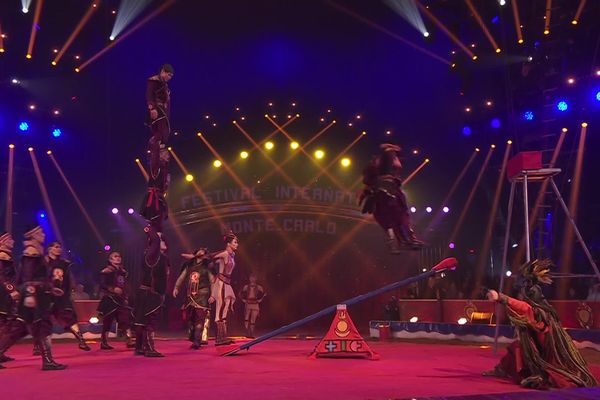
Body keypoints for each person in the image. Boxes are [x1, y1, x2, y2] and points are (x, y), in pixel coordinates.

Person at [484, 259, 597, 389]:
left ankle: (539, 373)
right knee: (517, 346)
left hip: (545, 340)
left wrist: (501, 298)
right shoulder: (532, 294)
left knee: (535, 356)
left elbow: (526, 308)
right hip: (539, 334)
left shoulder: (535, 298)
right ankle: (503, 369)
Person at [0, 226, 67, 370]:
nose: (43, 234)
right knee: (42, 325)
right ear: (34, 235)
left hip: (35, 293)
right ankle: (48, 361)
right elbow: (28, 277)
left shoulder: (34, 251)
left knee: (20, 328)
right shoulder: (32, 252)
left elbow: (26, 277)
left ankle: (48, 360)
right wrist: (29, 294)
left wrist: (51, 288)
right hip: (35, 295)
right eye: (40, 232)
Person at [360, 143, 423, 254]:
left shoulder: (386, 168)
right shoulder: (381, 166)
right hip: (385, 194)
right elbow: (370, 182)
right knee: (394, 219)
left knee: (398, 219)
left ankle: (404, 241)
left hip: (388, 193)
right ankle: (401, 242)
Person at [45, 241, 91, 352]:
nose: (59, 249)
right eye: (56, 247)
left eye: (60, 247)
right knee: (43, 320)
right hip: (46, 295)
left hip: (62, 296)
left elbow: (69, 278)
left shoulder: (64, 263)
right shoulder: (43, 262)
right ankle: (41, 346)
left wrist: (70, 289)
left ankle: (81, 340)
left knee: (70, 317)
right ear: (49, 249)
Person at [133, 226, 169, 357]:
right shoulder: (152, 255)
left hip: (148, 293)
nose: (162, 242)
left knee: (142, 321)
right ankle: (149, 348)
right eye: (160, 240)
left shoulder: (158, 257)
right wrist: (150, 228)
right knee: (149, 321)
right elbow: (155, 240)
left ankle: (139, 348)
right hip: (149, 294)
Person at [173, 248, 214, 349]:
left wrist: (213, 295)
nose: (201, 251)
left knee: (200, 319)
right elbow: (182, 277)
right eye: (199, 250)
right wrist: (176, 287)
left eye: (203, 250)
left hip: (203, 295)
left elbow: (212, 281)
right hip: (190, 296)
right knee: (190, 319)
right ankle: (194, 338)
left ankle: (197, 341)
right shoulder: (189, 265)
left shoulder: (207, 266)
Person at [97, 251, 134, 350]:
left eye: (119, 256)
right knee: (108, 321)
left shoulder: (123, 272)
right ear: (110, 260)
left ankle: (129, 340)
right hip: (110, 298)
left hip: (120, 299)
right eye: (115, 256)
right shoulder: (106, 271)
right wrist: (112, 289)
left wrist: (126, 296)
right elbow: (102, 284)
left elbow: (125, 285)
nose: (118, 258)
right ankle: (104, 342)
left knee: (125, 318)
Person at [146, 64, 174, 173]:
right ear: (163, 71)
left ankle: (158, 151)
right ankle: (154, 143)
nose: (169, 78)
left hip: (164, 111)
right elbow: (149, 95)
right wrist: (152, 108)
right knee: (161, 132)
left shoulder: (164, 85)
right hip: (157, 109)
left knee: (165, 134)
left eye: (171, 76)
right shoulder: (154, 81)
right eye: (169, 75)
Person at [212, 231, 238, 345]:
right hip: (222, 283)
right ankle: (219, 338)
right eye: (235, 242)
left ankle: (224, 336)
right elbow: (211, 257)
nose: (237, 244)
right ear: (228, 244)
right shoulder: (225, 254)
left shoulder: (232, 255)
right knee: (221, 306)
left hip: (227, 283)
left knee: (226, 306)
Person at [0, 232, 18, 366]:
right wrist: (11, 289)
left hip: (5, 293)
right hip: (3, 294)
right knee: (2, 324)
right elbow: (3, 276)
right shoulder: (2, 255)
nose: (12, 241)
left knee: (5, 324)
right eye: (10, 239)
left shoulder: (7, 255)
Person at [238, 273, 266, 338]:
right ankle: (247, 332)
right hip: (248, 303)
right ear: (249, 278)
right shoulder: (246, 287)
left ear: (256, 279)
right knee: (246, 317)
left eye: (254, 278)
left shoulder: (259, 287)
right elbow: (240, 293)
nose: (252, 279)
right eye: (251, 278)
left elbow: (264, 294)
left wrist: (260, 299)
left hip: (255, 303)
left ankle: (251, 333)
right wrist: (243, 300)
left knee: (253, 319)